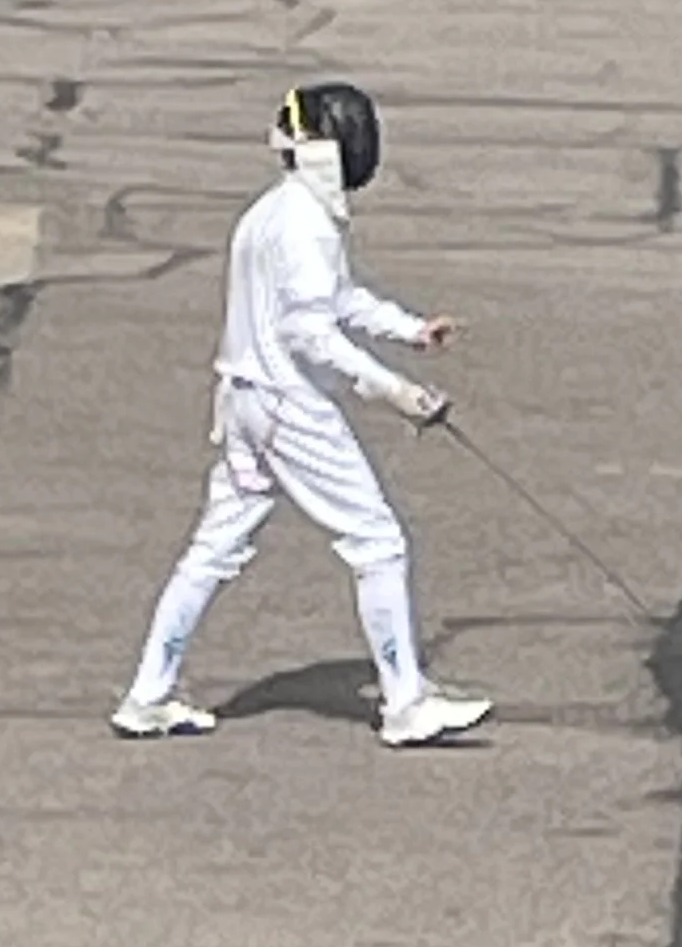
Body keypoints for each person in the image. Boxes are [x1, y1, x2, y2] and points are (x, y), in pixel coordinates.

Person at [111, 82, 491, 746]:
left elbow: (337, 298)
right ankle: (406, 704)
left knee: (214, 549)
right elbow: (309, 331)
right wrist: (398, 392)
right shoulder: (303, 223)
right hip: (287, 406)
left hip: (246, 401)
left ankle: (148, 696)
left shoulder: (278, 212)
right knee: (377, 541)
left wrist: (410, 330)